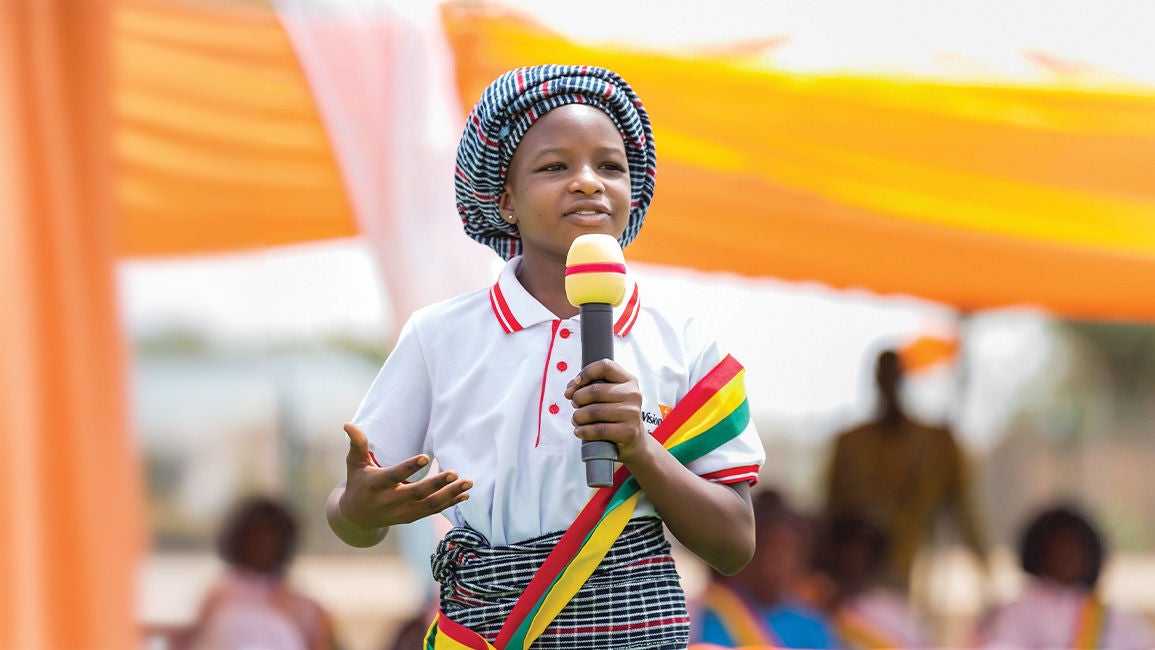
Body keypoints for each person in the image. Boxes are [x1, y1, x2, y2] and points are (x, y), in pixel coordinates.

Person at [325, 64, 765, 650]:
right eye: (555, 166)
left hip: (638, 634)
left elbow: (734, 544)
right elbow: (353, 516)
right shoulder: (440, 337)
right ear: (504, 199)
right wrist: (359, 509)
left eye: (610, 166)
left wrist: (638, 446)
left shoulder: (682, 344)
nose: (588, 182)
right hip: (485, 634)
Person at [823, 348, 988, 591]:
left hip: (919, 570)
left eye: (895, 376)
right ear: (876, 381)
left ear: (903, 379)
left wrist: (985, 567)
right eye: (884, 376)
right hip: (858, 575)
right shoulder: (850, 443)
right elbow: (831, 511)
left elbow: (964, 511)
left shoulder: (937, 443)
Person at [979, 505, 1153, 649]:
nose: (1068, 557)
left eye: (1076, 550)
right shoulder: (1019, 610)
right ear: (1041, 554)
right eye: (1060, 549)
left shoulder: (1113, 616)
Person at [180, 496, 337, 650]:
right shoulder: (221, 595)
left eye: (271, 539)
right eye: (255, 538)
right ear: (240, 540)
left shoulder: (303, 606)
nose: (263, 546)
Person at [691, 490, 839, 649]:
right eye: (767, 547)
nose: (774, 558)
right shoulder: (720, 611)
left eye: (786, 549)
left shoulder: (813, 626)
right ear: (750, 555)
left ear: (802, 561)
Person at [817, 513, 929, 649]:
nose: (853, 556)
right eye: (847, 545)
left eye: (863, 549)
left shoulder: (892, 612)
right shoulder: (812, 599)